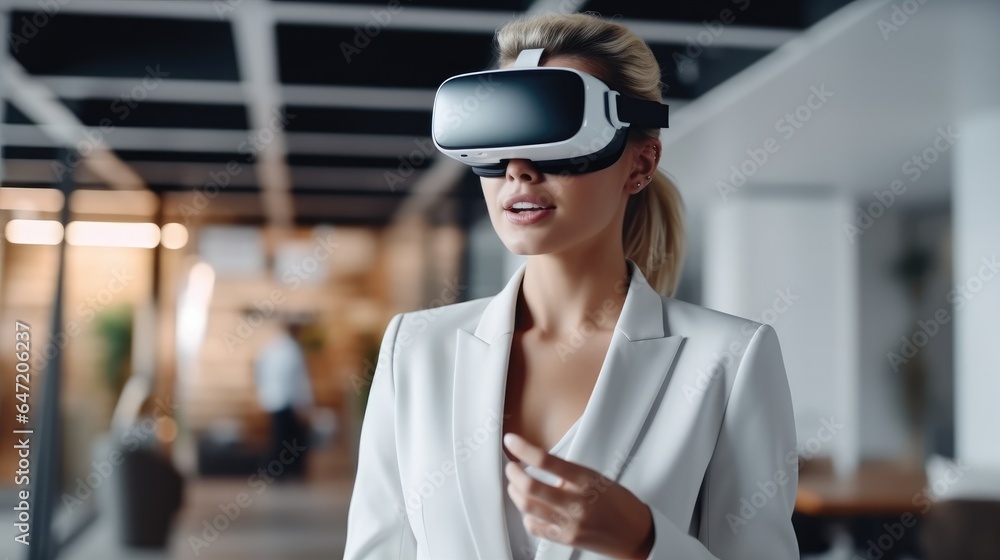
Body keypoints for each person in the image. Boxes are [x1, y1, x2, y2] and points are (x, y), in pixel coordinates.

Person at [344, 12, 798, 560]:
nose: (519, 170)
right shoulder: (414, 350)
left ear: (640, 163)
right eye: (498, 143)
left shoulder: (729, 360)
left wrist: (646, 543)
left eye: (555, 139)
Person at [253, 316, 314, 481]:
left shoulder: (272, 349)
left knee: (280, 439)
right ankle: (284, 472)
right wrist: (302, 403)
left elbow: (259, 372)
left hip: (275, 399)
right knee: (287, 441)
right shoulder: (292, 350)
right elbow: (296, 380)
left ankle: (278, 472)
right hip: (287, 401)